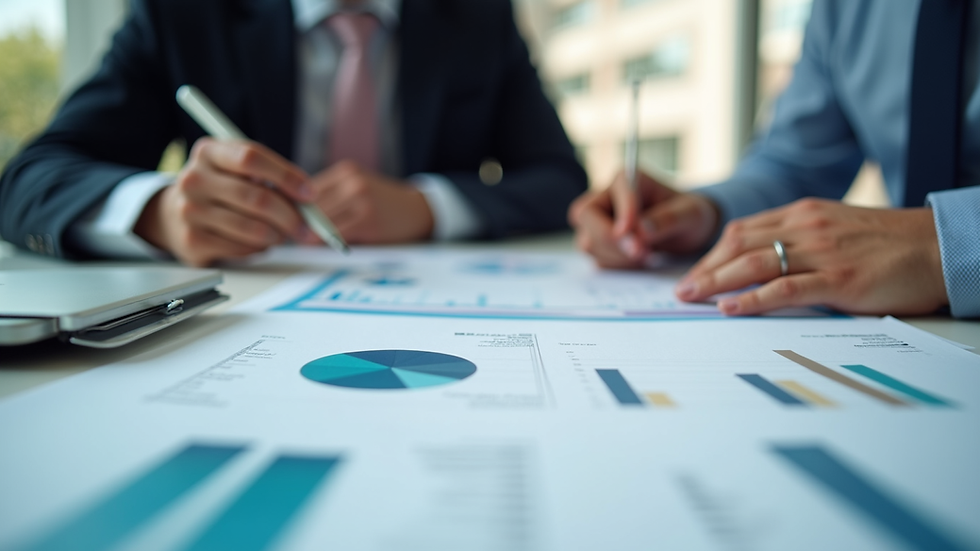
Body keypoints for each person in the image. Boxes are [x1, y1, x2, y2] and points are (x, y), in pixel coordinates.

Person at [0, 0, 587, 266]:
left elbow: (561, 181)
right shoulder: (181, 13)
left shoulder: (478, 17)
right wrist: (160, 210)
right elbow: (31, 179)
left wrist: (428, 207)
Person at [569, 0, 980, 318]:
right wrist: (707, 213)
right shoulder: (845, 8)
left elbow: (933, 246)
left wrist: (941, 245)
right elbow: (795, 166)